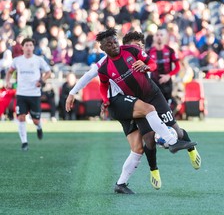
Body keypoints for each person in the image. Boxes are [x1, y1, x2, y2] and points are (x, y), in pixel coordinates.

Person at [66, 30, 200, 194]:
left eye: (139, 46)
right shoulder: (105, 64)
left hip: (133, 102)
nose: (135, 48)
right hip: (120, 102)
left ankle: (121, 184)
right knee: (149, 115)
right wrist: (73, 93)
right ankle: (170, 142)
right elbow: (91, 77)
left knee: (137, 148)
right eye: (132, 45)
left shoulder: (137, 56)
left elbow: (150, 69)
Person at [5, 38, 51, 151]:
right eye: (27, 45)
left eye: (31, 45)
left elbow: (48, 72)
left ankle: (39, 127)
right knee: (21, 117)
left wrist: (41, 81)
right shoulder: (17, 60)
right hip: (21, 93)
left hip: (34, 94)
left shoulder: (38, 60)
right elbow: (10, 71)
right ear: (22, 47)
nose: (29, 47)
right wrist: (7, 82)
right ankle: (24, 142)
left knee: (35, 120)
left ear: (33, 47)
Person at [147, 28, 181, 110]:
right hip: (154, 82)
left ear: (165, 37)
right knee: (155, 105)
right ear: (154, 37)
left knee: (167, 105)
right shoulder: (149, 52)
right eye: (157, 35)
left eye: (161, 35)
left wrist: (168, 76)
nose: (159, 37)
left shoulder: (170, 51)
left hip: (167, 83)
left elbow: (178, 67)